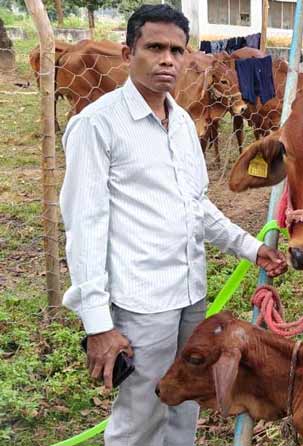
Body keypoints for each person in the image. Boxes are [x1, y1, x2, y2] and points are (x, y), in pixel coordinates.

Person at [59, 5, 288, 445]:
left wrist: (250, 247)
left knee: (185, 401)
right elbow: (84, 226)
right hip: (142, 301)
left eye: (177, 50)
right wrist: (98, 323)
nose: (167, 59)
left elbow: (195, 206)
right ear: (128, 53)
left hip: (190, 293)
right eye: (155, 47)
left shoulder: (182, 122)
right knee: (141, 415)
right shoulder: (97, 125)